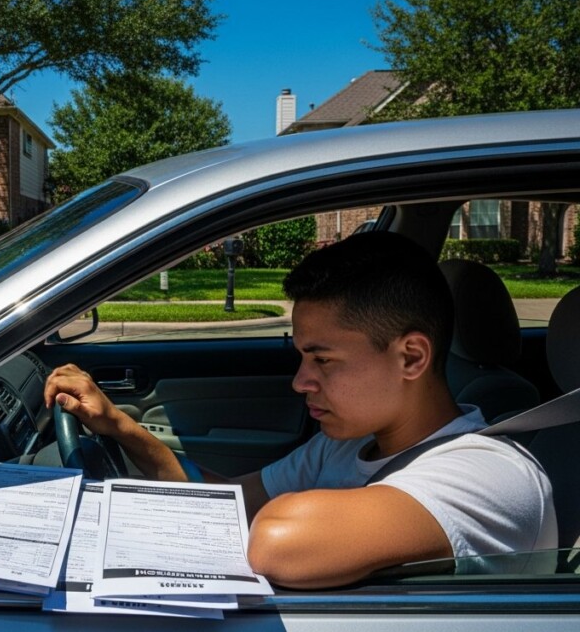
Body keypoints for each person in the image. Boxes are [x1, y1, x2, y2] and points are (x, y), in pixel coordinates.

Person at [44, 231, 556, 589]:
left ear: (411, 356)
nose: (300, 380)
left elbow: (276, 541)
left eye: (323, 359)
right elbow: (220, 506)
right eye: (301, 356)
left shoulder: (490, 475)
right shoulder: (351, 444)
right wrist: (121, 427)